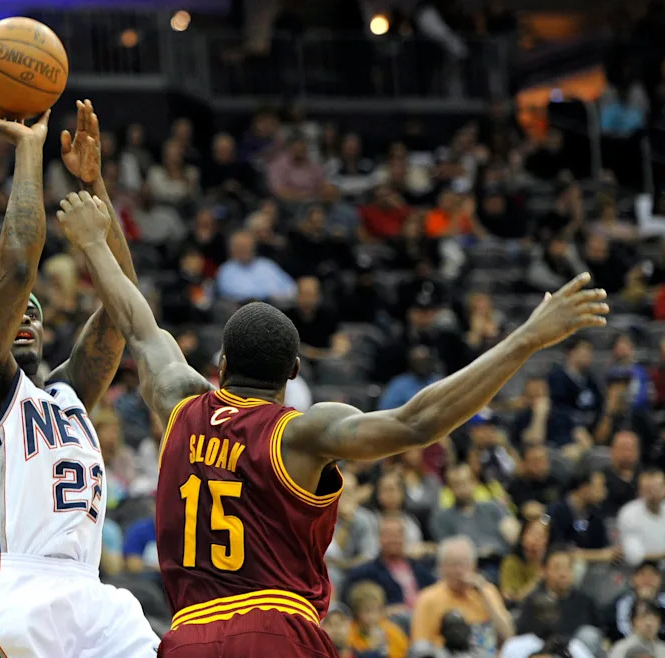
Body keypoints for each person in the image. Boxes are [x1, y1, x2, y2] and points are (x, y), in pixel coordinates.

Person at [53, 189, 606, 656]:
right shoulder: (299, 433)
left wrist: (95, 236)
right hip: (277, 629)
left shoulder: (178, 401)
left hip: (190, 635)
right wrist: (526, 339)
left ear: (220, 364)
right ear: (295, 372)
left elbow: (135, 321)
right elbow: (419, 422)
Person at [0, 101, 157, 658]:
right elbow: (18, 271)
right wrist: (29, 149)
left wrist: (94, 185)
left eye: (36, 312)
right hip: (17, 590)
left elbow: (123, 308)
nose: (27, 315)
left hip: (90, 593)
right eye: (14, 312)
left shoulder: (68, 394)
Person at [410, 537, 513, 657]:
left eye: (463, 564)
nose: (458, 571)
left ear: (473, 566)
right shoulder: (428, 598)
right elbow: (420, 646)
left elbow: (508, 634)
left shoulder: (487, 590)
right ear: (441, 568)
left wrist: (483, 592)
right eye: (452, 565)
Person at [500, 591, 594, 658]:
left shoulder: (572, 646)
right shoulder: (514, 646)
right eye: (542, 613)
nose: (548, 618)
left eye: (552, 612)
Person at [345, 581, 409, 658]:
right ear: (357, 612)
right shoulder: (350, 632)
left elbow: (402, 652)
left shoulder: (391, 630)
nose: (372, 616)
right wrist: (371, 648)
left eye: (377, 609)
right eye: (367, 611)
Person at [618, 466, 665, 566]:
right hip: (639, 571)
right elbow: (633, 556)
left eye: (657, 487)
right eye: (648, 489)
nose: (653, 493)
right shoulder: (629, 514)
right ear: (640, 490)